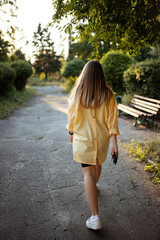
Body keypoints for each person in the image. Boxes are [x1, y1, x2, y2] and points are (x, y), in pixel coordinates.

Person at [66, 60, 119, 230]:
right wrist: (115, 144)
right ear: (100, 74)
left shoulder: (78, 92)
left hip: (83, 140)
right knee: (97, 164)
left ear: (85, 74)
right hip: (102, 140)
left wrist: (71, 132)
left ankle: (95, 217)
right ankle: (93, 187)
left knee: (88, 174)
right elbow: (112, 120)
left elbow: (71, 115)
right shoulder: (108, 94)